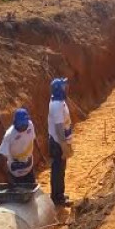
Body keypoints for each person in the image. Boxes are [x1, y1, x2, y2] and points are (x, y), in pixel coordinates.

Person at [47, 78, 73, 207]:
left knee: (61, 169)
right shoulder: (57, 105)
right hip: (58, 142)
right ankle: (57, 198)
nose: (66, 87)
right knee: (58, 170)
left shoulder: (60, 101)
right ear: (58, 89)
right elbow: (58, 128)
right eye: (63, 86)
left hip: (61, 140)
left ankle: (59, 194)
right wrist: (64, 146)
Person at [0, 108, 36, 185]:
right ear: (15, 123)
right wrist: (7, 176)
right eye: (21, 125)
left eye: (24, 125)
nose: (23, 128)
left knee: (32, 190)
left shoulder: (30, 125)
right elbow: (0, 156)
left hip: (29, 168)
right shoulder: (9, 135)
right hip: (15, 174)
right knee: (19, 193)